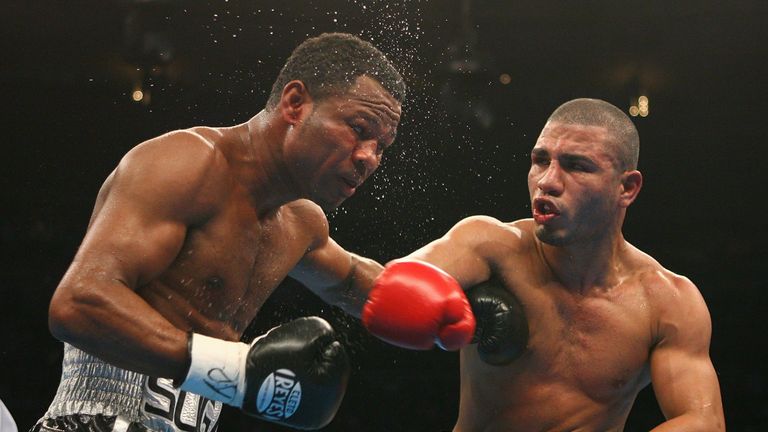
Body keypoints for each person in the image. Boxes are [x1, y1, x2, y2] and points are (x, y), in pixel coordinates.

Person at [33, 32, 479, 432]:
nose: (369, 158)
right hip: (92, 422)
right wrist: (238, 371)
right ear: (295, 103)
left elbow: (371, 290)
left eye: (382, 146)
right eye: (358, 130)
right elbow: (77, 302)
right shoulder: (188, 165)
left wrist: (471, 314)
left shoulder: (300, 224)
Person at [362, 98, 725, 431]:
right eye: (540, 161)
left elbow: (703, 421)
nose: (547, 182)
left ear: (626, 188)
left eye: (576, 166)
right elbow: (400, 280)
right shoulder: (489, 245)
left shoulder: (666, 301)